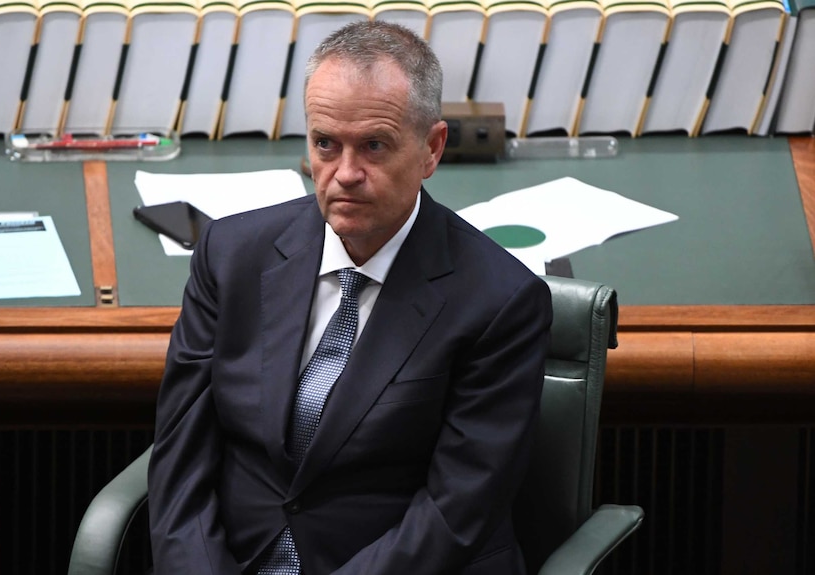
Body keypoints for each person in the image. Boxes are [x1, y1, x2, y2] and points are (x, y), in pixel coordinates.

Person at [148, 20, 552, 575]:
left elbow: (455, 511)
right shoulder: (232, 254)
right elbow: (181, 457)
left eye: (374, 146)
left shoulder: (500, 300)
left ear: (432, 149)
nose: (344, 174)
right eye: (325, 144)